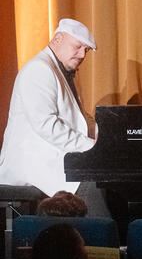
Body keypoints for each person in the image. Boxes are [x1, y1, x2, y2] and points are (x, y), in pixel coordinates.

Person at [0, 19, 108, 217]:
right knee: (91, 181)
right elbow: (46, 125)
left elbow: (81, 118)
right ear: (58, 39)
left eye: (86, 50)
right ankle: (100, 242)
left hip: (53, 156)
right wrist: (91, 146)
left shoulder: (59, 69)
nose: (82, 55)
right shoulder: (39, 69)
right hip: (34, 162)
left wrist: (108, 136)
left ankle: (102, 241)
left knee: (102, 176)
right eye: (77, 47)